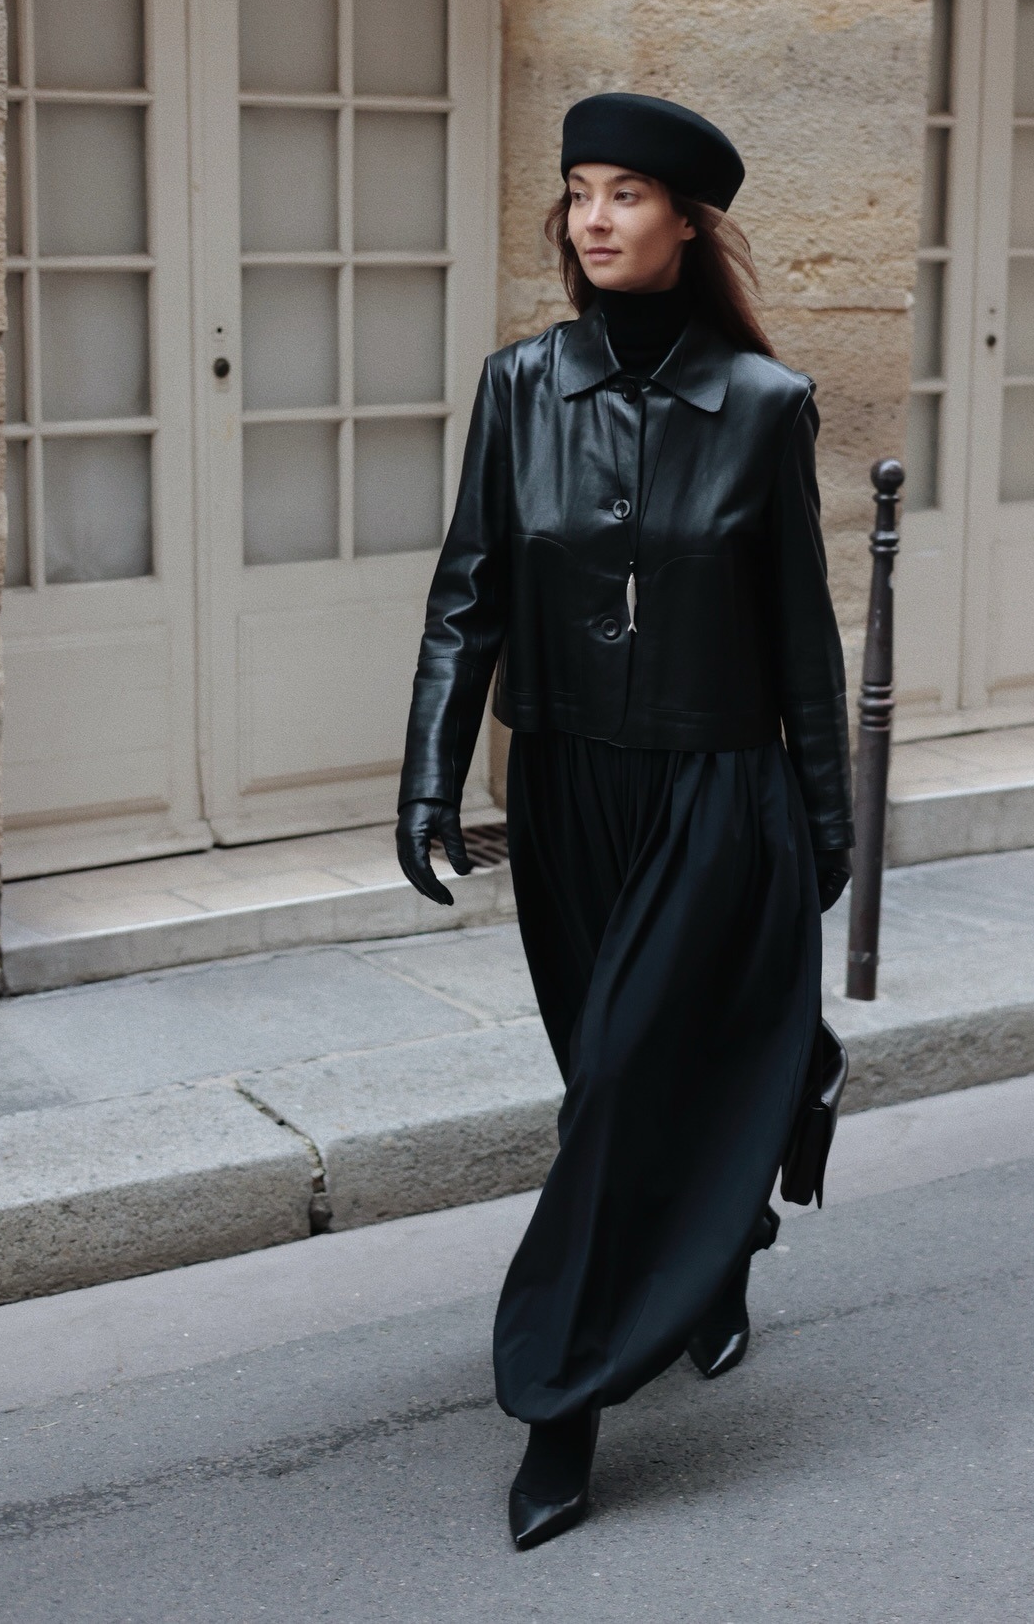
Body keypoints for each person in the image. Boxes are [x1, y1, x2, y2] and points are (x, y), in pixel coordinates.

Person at [396, 92, 853, 1551]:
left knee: (615, 1105)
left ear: (688, 223)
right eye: (580, 192)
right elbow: (468, 594)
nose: (594, 218)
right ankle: (724, 1233)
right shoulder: (519, 387)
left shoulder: (765, 406)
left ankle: (562, 1399)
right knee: (608, 1069)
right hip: (565, 792)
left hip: (715, 790)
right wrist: (430, 773)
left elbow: (802, 633)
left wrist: (824, 819)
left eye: (628, 194)